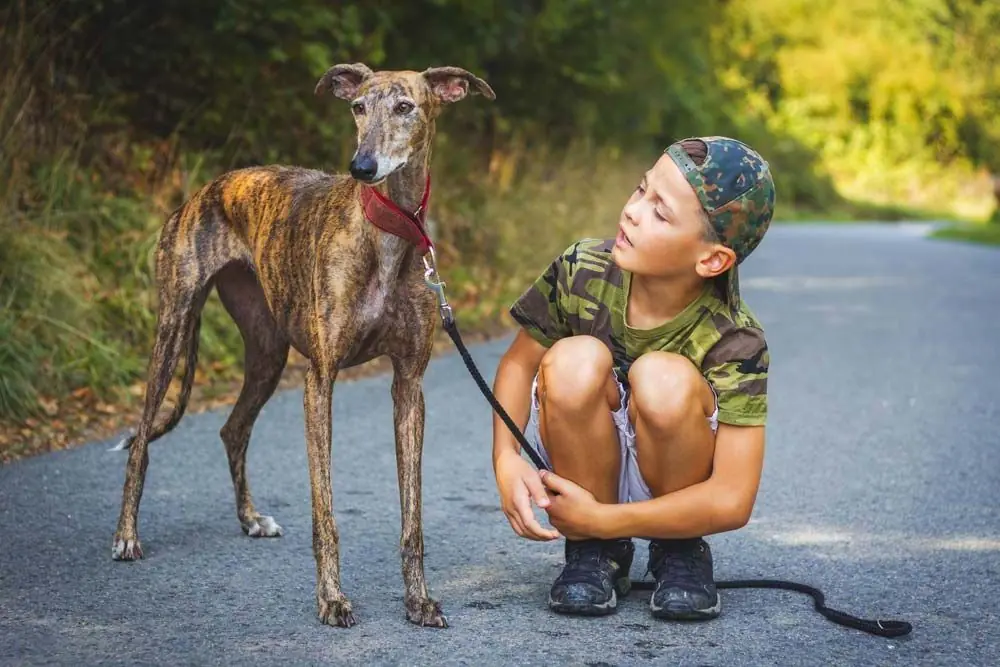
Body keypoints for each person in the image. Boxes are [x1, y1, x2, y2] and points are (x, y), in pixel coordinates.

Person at [490, 136, 774, 620]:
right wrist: (505, 457)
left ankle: (678, 549)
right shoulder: (581, 269)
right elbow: (519, 364)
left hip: (675, 480)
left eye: (660, 213)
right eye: (642, 189)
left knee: (663, 377)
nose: (633, 211)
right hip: (583, 459)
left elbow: (732, 498)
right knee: (573, 358)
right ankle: (595, 552)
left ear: (711, 259)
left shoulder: (735, 339)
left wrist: (603, 518)